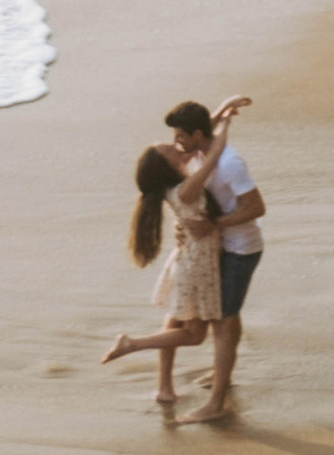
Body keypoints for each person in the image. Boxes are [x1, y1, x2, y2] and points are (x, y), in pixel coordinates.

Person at [100, 97, 250, 409]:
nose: (175, 145)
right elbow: (214, 148)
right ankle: (132, 343)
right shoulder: (187, 188)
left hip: (189, 258)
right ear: (167, 166)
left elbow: (198, 137)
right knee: (194, 334)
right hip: (198, 264)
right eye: (169, 148)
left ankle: (164, 387)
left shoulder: (179, 183)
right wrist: (226, 124)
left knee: (178, 323)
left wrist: (222, 110)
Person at [165, 96, 265, 420]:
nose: (176, 142)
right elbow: (211, 124)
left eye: (181, 135)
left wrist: (212, 226)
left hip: (240, 249)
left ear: (197, 135)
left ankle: (216, 403)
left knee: (222, 321)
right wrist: (224, 107)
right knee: (227, 317)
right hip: (223, 246)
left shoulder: (229, 164)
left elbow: (256, 207)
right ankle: (223, 376)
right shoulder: (202, 150)